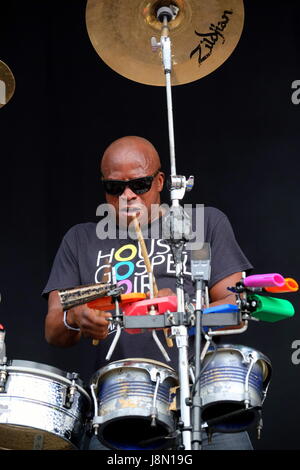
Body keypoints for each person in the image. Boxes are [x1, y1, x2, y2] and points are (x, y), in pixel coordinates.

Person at [43, 135, 253, 451]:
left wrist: (183, 314)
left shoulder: (203, 223)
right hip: (120, 408)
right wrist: (75, 317)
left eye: (138, 185)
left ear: (159, 182)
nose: (127, 196)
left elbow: (236, 305)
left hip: (203, 400)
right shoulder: (80, 239)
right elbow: (53, 329)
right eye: (115, 188)